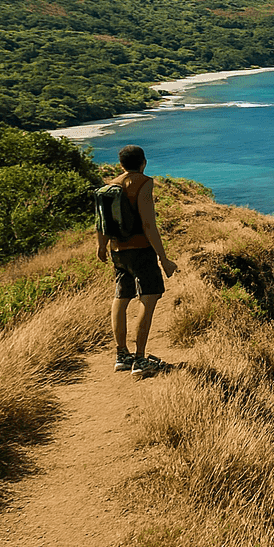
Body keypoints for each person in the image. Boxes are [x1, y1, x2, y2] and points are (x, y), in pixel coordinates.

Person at [96, 145, 177, 377]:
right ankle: (140, 359)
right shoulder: (143, 183)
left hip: (117, 251)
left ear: (121, 164)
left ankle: (121, 355)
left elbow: (102, 222)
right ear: (143, 162)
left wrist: (101, 246)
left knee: (120, 298)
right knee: (148, 299)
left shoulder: (109, 186)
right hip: (141, 250)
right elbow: (149, 224)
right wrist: (163, 258)